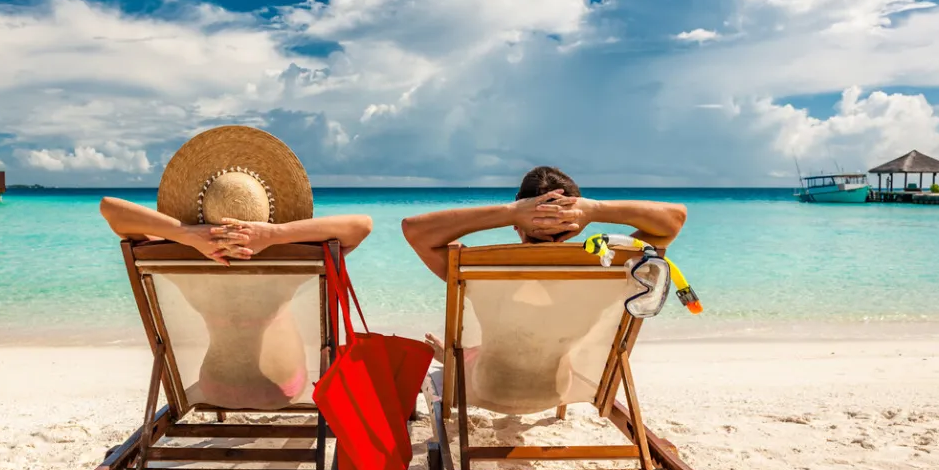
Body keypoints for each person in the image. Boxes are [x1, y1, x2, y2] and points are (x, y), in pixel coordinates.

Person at [100, 126, 372, 408]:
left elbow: (110, 209)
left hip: (215, 388)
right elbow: (362, 226)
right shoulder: (294, 261)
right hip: (283, 390)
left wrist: (188, 235)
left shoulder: (179, 262)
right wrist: (273, 235)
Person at [401, 165, 688, 379]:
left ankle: (454, 360)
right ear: (577, 224)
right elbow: (673, 222)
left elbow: (415, 231)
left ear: (517, 223)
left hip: (490, 384)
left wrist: (511, 212)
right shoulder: (605, 268)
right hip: (559, 386)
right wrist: (595, 209)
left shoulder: (477, 269)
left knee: (492, 350)